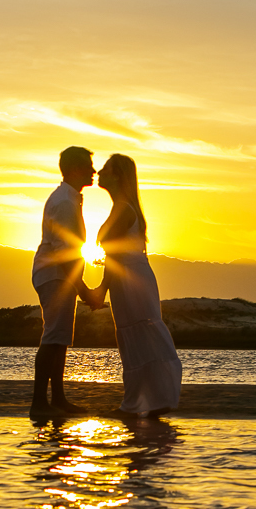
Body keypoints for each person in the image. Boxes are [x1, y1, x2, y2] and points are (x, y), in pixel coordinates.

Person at [90, 154, 182, 417]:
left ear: (117, 175)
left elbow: (114, 255)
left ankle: (137, 404)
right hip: (131, 277)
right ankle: (149, 401)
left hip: (130, 279)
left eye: (106, 169)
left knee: (138, 334)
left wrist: (100, 289)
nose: (99, 172)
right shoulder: (123, 207)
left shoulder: (124, 209)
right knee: (136, 335)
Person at [30, 145, 98, 418]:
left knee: (59, 338)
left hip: (59, 274)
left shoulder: (70, 199)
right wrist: (84, 290)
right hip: (54, 274)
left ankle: (56, 398)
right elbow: (63, 251)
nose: (93, 171)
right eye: (87, 166)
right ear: (73, 170)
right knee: (53, 337)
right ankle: (39, 402)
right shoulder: (65, 202)